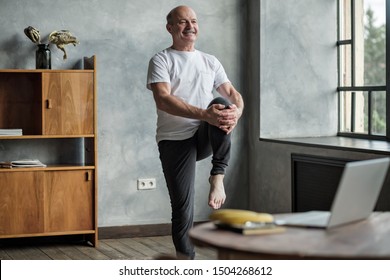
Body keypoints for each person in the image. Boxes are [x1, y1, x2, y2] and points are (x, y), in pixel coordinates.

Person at [146, 5, 244, 259]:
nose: (190, 26)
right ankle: (185, 263)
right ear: (170, 28)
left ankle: (217, 176)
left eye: (194, 21)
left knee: (222, 105)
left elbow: (233, 95)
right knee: (182, 208)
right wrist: (204, 115)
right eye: (182, 22)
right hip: (174, 139)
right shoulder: (161, 60)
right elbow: (163, 100)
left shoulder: (210, 61)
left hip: (204, 135)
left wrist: (237, 112)